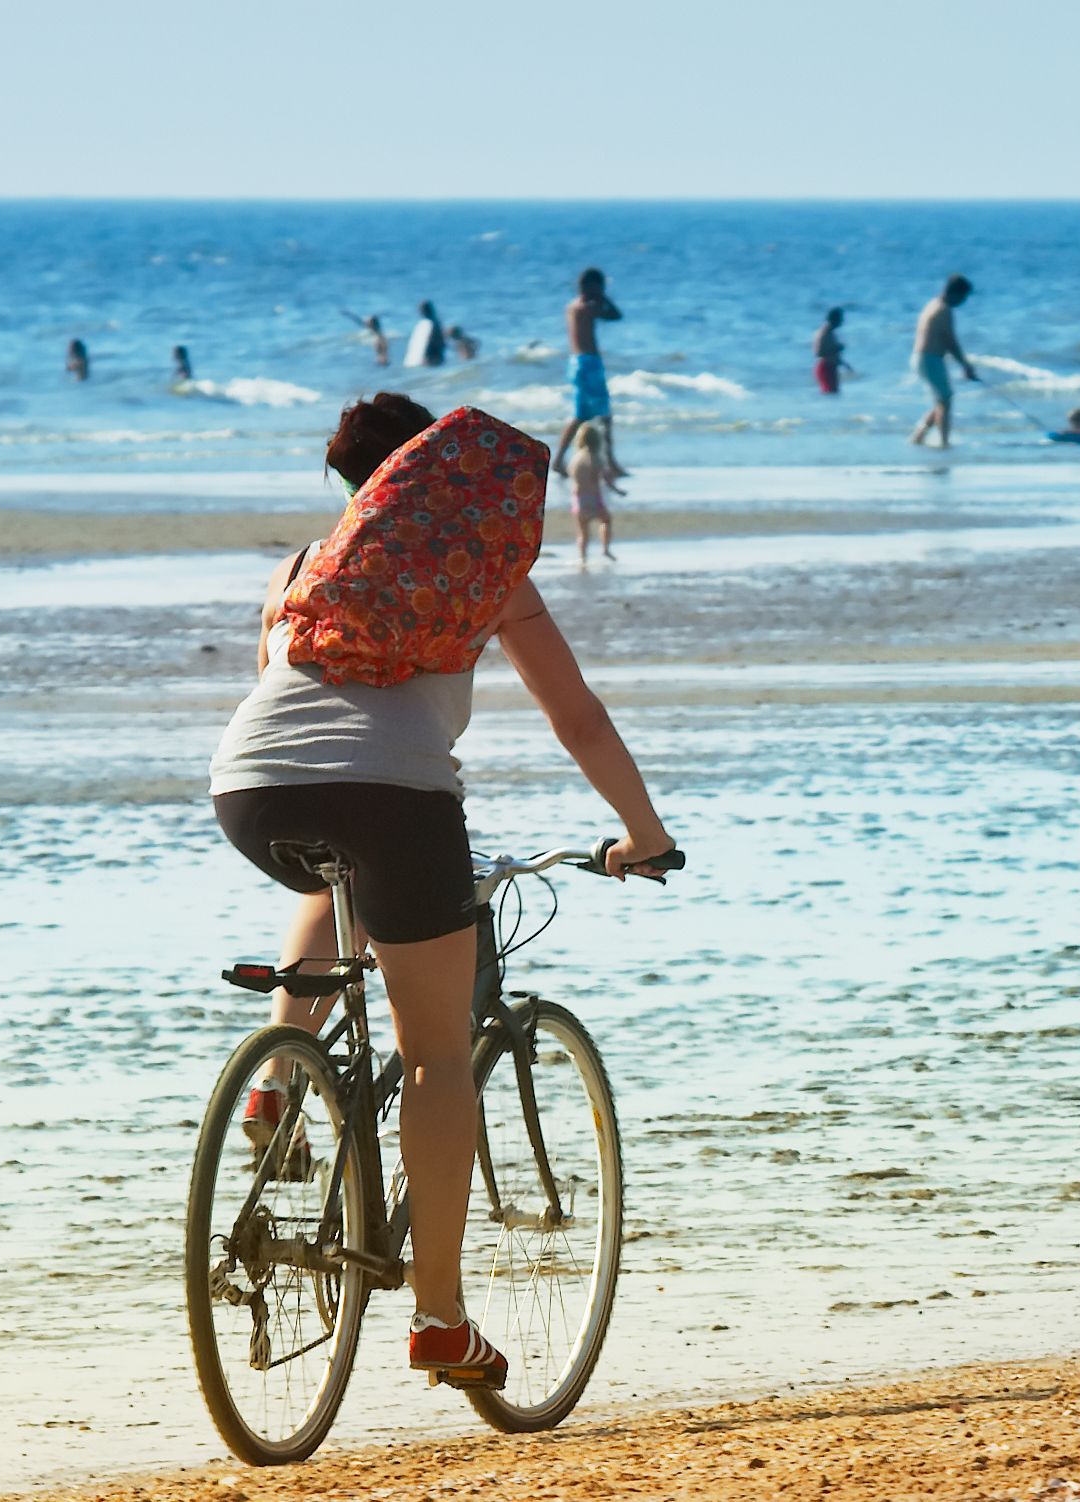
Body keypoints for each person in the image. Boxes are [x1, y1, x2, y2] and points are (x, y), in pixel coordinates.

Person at [210, 393, 672, 1390]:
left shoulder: (302, 568)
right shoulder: (485, 566)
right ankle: (439, 1315)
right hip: (399, 803)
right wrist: (645, 832)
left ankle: (277, 1076)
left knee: (335, 866)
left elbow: (290, 711)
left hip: (246, 790)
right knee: (434, 1061)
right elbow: (578, 718)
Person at [555, 268, 626, 482]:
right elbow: (615, 315)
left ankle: (560, 460)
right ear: (592, 287)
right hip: (588, 364)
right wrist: (603, 298)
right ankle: (610, 462)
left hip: (578, 363)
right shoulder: (585, 307)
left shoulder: (572, 306)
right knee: (600, 415)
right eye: (600, 287)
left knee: (583, 415)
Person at [908, 275, 978, 448]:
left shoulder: (932, 304)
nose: (963, 302)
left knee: (942, 400)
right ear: (955, 293)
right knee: (945, 399)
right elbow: (950, 341)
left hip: (921, 358)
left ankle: (918, 437)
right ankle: (944, 442)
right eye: (963, 297)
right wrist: (965, 365)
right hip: (929, 358)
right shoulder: (944, 309)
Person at [567, 417, 621, 564]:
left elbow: (571, 477)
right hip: (594, 498)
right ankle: (605, 549)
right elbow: (606, 478)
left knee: (582, 531)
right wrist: (617, 490)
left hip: (578, 499)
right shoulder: (596, 458)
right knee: (606, 520)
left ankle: (582, 556)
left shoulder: (575, 459)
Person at [813, 308, 854, 394]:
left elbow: (833, 354)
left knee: (834, 394)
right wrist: (836, 348)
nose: (842, 321)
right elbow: (819, 353)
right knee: (830, 394)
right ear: (834, 319)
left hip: (831, 367)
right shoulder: (824, 333)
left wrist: (845, 364)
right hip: (825, 368)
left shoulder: (830, 332)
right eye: (840, 319)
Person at [406, 301, 447, 367]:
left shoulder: (431, 324)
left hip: (432, 358)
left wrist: (425, 357)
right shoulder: (433, 323)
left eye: (421, 310)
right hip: (434, 358)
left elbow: (431, 342)